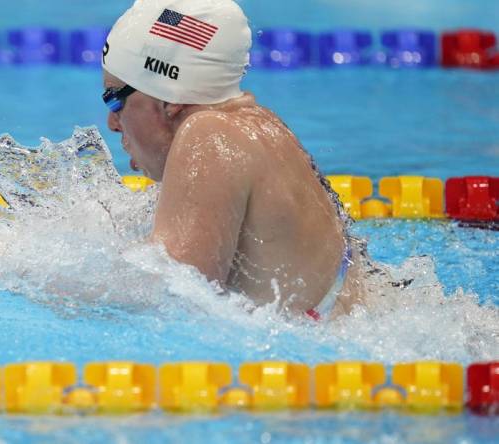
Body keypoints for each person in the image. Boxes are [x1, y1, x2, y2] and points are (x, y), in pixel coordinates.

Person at [101, 0, 367, 319]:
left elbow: (175, 292)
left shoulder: (210, 135)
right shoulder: (262, 125)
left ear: (169, 100)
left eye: (115, 100)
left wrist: (42, 275)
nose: (112, 123)